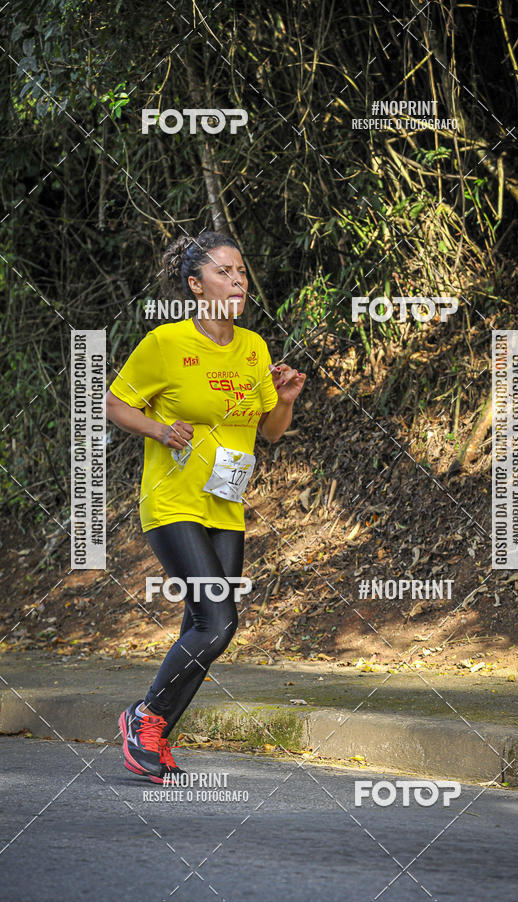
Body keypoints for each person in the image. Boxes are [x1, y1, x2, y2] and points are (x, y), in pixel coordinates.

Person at [106, 231, 305, 783]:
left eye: (241, 271)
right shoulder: (165, 343)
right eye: (223, 271)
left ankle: (151, 733)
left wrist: (284, 402)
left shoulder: (255, 348)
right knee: (217, 619)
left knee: (210, 625)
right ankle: (145, 720)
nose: (237, 280)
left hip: (225, 503)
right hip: (172, 500)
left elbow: (270, 432)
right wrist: (159, 428)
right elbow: (115, 403)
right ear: (196, 286)